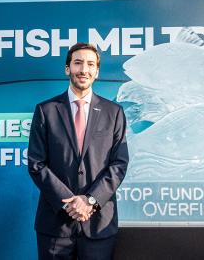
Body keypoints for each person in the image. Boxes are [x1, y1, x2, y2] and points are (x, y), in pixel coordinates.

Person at [27, 42, 130, 260]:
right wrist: (70, 202)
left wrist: (90, 200)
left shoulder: (114, 113)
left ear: (97, 71)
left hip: (99, 224)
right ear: (68, 68)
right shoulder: (46, 111)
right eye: (78, 63)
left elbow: (119, 164)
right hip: (56, 225)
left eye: (90, 64)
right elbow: (37, 163)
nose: (84, 69)